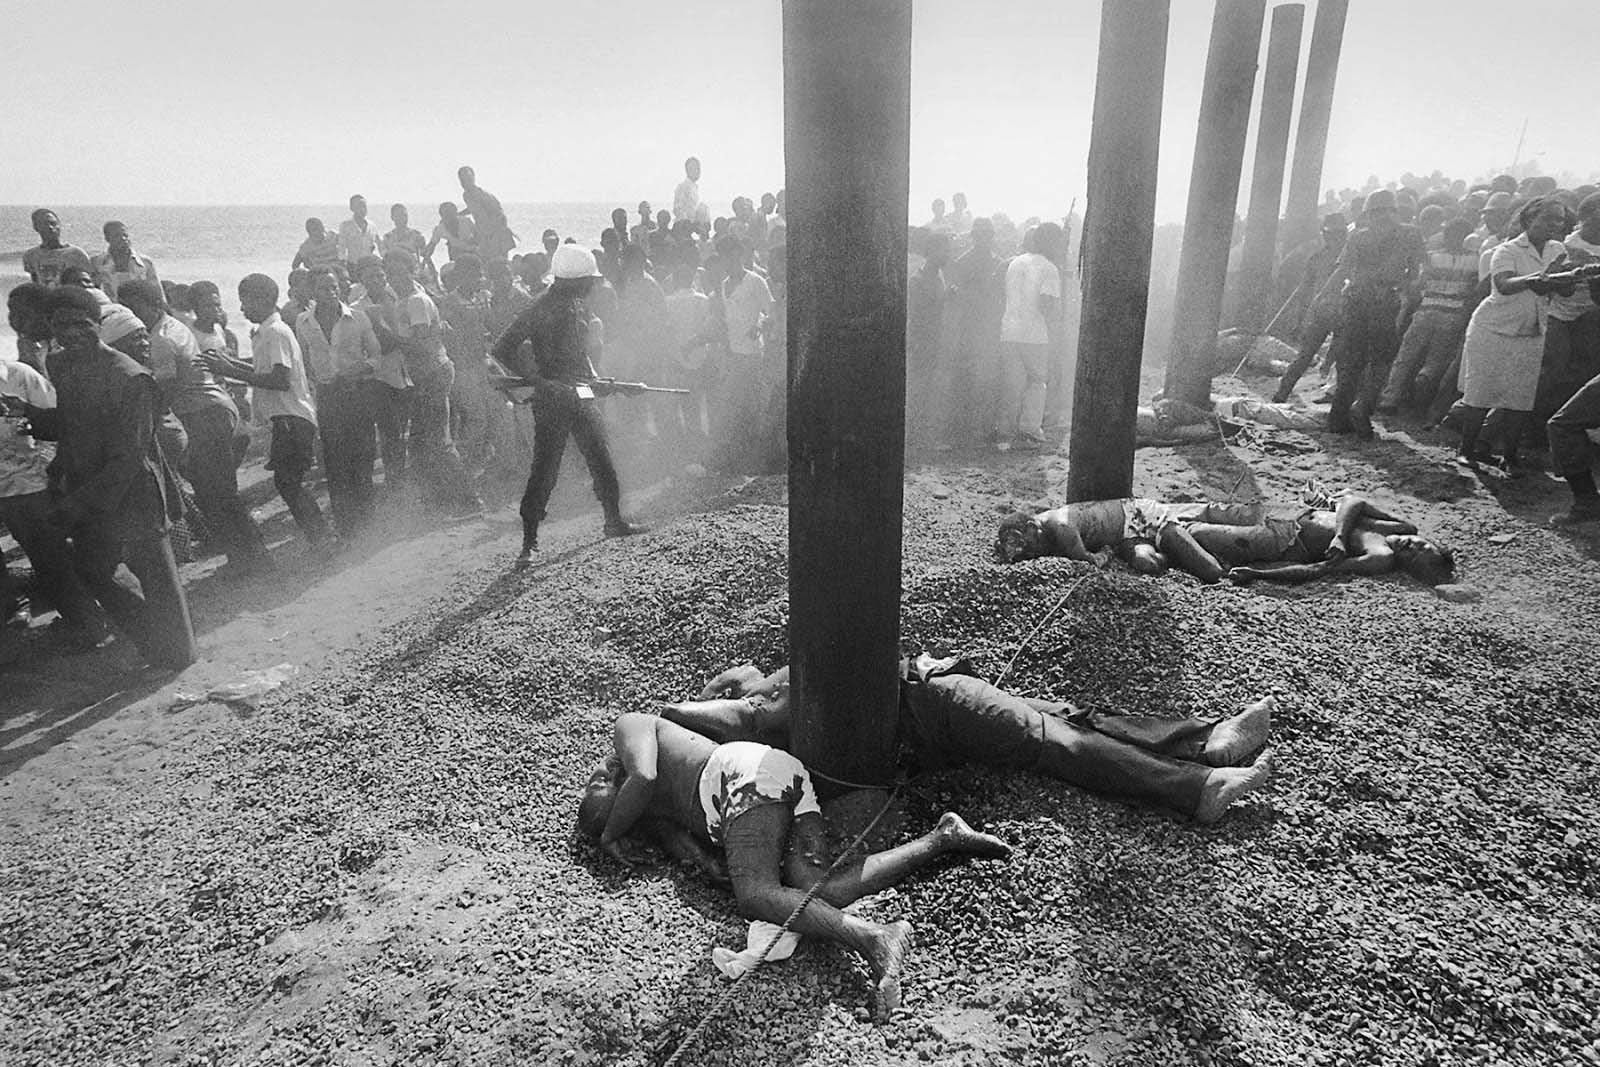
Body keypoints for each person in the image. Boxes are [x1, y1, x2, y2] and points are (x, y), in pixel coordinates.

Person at [575, 711, 1012, 1021]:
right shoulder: (653, 810)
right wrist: (706, 862)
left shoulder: (630, 728)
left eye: (609, 796)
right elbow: (688, 845)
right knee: (819, 894)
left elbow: (644, 778)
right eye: (618, 814)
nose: (621, 807)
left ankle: (877, 938)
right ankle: (943, 837)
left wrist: (609, 836)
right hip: (780, 784)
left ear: (611, 776)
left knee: (756, 894)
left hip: (743, 778)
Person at [663, 656, 1274, 826]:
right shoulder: (775, 696)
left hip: (932, 720)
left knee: (1063, 716)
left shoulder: (787, 708)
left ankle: (1203, 742)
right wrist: (662, 714)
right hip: (942, 705)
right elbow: (727, 714)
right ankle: (1195, 787)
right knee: (1055, 742)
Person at [21, 286, 197, 670]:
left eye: (79, 323)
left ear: (97, 324)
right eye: (60, 325)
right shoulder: (64, 368)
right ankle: (155, 638)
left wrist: (78, 502)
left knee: (157, 580)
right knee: (90, 568)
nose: (70, 332)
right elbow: (69, 425)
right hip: (90, 492)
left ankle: (177, 655)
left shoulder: (130, 377)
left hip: (132, 494)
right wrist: (28, 419)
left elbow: (129, 457)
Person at [488, 244, 645, 568]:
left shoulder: (576, 304)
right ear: (572, 280)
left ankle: (613, 520)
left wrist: (597, 379)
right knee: (545, 471)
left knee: (600, 455)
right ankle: (529, 544)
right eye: (588, 279)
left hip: (580, 393)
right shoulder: (539, 309)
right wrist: (540, 381)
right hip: (551, 401)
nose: (593, 285)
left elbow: (580, 353)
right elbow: (502, 349)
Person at [119, 280, 271, 575]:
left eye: (134, 308)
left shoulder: (161, 339)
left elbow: (165, 391)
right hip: (212, 410)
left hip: (203, 417)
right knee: (220, 495)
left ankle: (252, 561)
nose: (132, 314)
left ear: (151, 305)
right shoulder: (174, 325)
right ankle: (249, 558)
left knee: (217, 496)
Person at [997, 494, 1455, 588]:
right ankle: (1156, 533)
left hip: (1278, 542)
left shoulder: (1377, 556)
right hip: (1286, 515)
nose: (1419, 547)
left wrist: (1261, 575)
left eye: (1422, 557)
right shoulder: (1400, 532)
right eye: (1427, 545)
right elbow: (1354, 499)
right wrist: (1338, 530)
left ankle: (1163, 537)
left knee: (1205, 546)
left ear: (1415, 569)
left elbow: (1320, 571)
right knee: (1199, 520)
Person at [1455, 198, 1591, 474]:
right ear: (1529, 219)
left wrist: (1569, 277)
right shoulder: (1507, 250)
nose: (1554, 225)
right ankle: (1466, 450)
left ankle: (1510, 456)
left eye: (1558, 220)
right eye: (1548, 219)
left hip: (1531, 330)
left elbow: (1560, 292)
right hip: (1493, 328)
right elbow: (1504, 285)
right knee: (1481, 391)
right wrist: (1545, 277)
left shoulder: (1558, 249)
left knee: (1520, 397)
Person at [202, 274, 333, 550]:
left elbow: (279, 379)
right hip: (288, 419)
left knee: (289, 483)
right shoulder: (268, 331)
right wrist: (231, 364)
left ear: (262, 300)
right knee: (288, 482)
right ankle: (320, 538)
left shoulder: (275, 332)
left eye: (245, 302)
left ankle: (322, 539)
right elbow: (265, 372)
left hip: (292, 419)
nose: (241, 309)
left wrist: (229, 370)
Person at [0, 352, 111, 646]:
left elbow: (60, 424)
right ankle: (75, 619)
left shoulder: (19, 377)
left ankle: (91, 624)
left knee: (54, 557)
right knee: (43, 560)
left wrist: (51, 472)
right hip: (7, 491)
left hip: (34, 486)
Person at [1313, 189, 1424, 437]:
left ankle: (1342, 417)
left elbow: (1342, 271)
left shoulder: (1361, 236)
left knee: (1355, 362)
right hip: (1378, 301)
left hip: (1361, 300)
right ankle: (1359, 408)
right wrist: (1407, 288)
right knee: (1378, 361)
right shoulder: (1409, 234)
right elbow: (1419, 271)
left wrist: (1323, 295)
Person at [382, 249, 481, 517]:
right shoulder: (405, 300)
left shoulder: (415, 301)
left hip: (433, 373)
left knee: (439, 440)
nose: (395, 278)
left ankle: (468, 501)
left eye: (400, 272)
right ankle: (439, 498)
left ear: (411, 271)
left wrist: (389, 337)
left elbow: (422, 344)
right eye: (390, 273)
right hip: (425, 375)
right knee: (422, 440)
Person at [294, 268, 383, 537]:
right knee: (335, 462)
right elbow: (304, 362)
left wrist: (355, 371)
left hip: (356, 393)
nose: (331, 292)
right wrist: (316, 385)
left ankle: (369, 527)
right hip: (328, 397)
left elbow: (376, 356)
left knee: (362, 458)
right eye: (323, 288)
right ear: (312, 292)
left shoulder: (357, 317)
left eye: (334, 287)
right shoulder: (303, 322)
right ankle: (347, 526)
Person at [1378, 217, 1479, 414]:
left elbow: (1417, 286)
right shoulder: (1475, 260)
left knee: (1405, 357)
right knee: (1436, 359)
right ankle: (1422, 385)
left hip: (1426, 311)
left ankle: (1389, 399)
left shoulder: (1432, 257)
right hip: (1454, 315)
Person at [1533, 193, 1600, 434]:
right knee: (1553, 368)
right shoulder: (1566, 245)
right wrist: (1571, 272)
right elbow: (1550, 285)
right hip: (1559, 313)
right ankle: (1528, 422)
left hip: (1592, 317)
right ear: (1585, 216)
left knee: (1583, 374)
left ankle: (1560, 424)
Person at [711, 236, 777, 473]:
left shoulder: (755, 281)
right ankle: (738, 457)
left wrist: (759, 327)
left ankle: (754, 459)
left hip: (751, 355)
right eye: (723, 256)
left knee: (750, 403)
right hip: (732, 355)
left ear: (739, 255)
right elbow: (724, 321)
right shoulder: (723, 284)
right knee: (733, 405)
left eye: (731, 255)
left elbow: (772, 313)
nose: (727, 260)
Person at [997, 222, 1063, 450]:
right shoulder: (1049, 268)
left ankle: (1004, 433)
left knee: (1012, 384)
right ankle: (1029, 431)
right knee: (1036, 382)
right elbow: (1046, 305)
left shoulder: (1015, 263)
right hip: (1034, 335)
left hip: (1009, 331)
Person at [1272, 213, 1349, 403]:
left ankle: (1283, 393)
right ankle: (1286, 392)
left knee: (1307, 356)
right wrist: (1301, 320)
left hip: (1331, 311)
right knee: (1324, 357)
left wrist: (1300, 321)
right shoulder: (1330, 258)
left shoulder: (1320, 258)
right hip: (1335, 312)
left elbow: (1305, 293)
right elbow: (1305, 292)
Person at [944, 217, 1006, 448]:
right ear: (974, 237)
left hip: (989, 330)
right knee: (965, 380)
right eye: (980, 235)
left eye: (987, 235)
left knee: (988, 381)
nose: (984, 240)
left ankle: (985, 429)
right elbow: (955, 295)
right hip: (969, 330)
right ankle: (961, 430)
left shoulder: (998, 263)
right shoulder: (963, 263)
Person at [436, 253, 497, 474]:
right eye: (475, 275)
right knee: (476, 418)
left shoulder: (477, 298)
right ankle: (463, 468)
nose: (479, 280)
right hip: (463, 369)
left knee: (485, 416)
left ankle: (476, 463)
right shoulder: (450, 303)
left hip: (480, 364)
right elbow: (447, 335)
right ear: (462, 276)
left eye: (480, 275)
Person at [906, 231, 950, 448]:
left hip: (934, 342)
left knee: (930, 390)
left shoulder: (938, 276)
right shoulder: (919, 280)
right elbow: (915, 317)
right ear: (932, 251)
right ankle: (920, 439)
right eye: (944, 249)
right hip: (923, 343)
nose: (948, 254)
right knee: (922, 390)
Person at [458, 166, 515, 265]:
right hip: (483, 233)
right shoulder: (466, 195)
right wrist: (457, 214)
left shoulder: (483, 195)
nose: (465, 182)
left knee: (500, 263)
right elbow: (474, 209)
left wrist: (494, 233)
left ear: (473, 178)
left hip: (497, 232)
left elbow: (499, 215)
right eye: (462, 179)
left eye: (467, 178)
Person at [22, 209, 92, 288]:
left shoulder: (76, 254)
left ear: (59, 225)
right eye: (44, 224)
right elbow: (36, 283)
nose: (50, 227)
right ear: (36, 227)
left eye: (53, 223)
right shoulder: (31, 255)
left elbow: (88, 284)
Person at [91, 221, 159, 301]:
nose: (123, 238)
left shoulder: (145, 263)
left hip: (139, 310)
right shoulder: (97, 263)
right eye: (117, 236)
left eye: (125, 235)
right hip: (112, 310)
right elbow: (93, 293)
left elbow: (157, 294)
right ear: (107, 239)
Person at [337, 195, 382, 267]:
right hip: (353, 266)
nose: (362, 209)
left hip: (370, 266)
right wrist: (343, 263)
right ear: (352, 208)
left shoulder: (372, 226)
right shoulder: (345, 226)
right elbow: (342, 248)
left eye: (364, 206)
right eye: (359, 206)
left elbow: (378, 246)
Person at [674, 157, 703, 232]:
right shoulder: (683, 187)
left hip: (692, 228)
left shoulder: (695, 188)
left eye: (699, 168)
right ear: (687, 170)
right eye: (695, 169)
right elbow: (678, 210)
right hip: (683, 229)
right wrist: (689, 226)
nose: (698, 171)